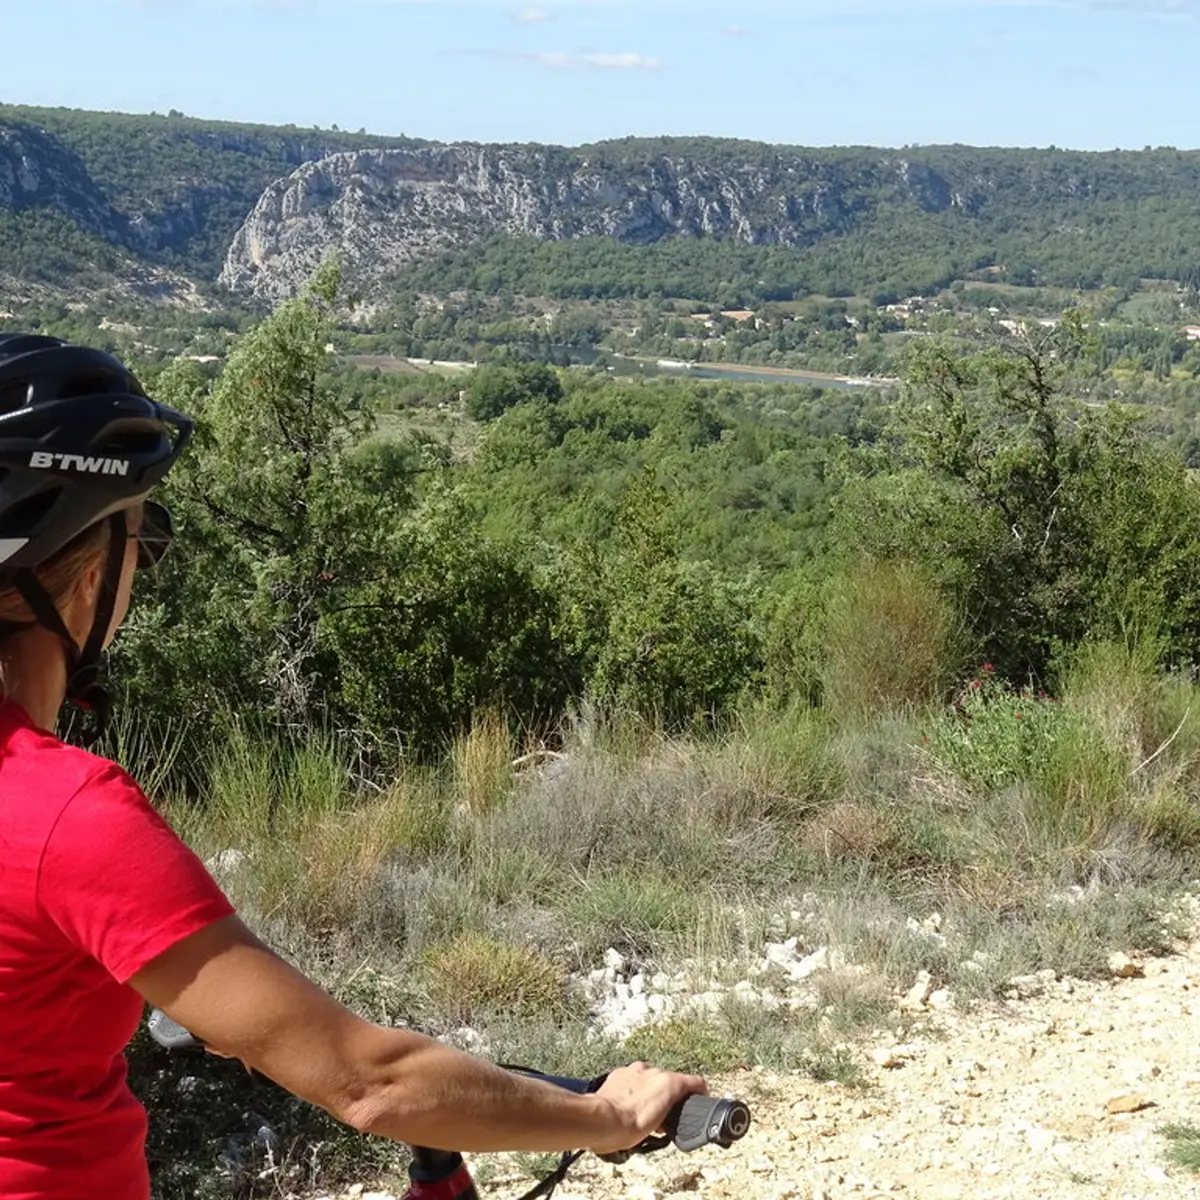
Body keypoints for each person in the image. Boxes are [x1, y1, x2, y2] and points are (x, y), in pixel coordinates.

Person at [0, 334, 708, 1200]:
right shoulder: (68, 816)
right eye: (141, 544)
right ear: (76, 575)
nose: (143, 572)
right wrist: (612, 1116)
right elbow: (373, 1084)